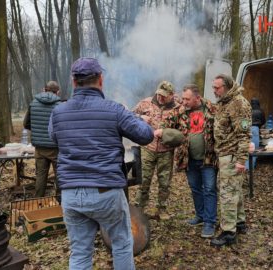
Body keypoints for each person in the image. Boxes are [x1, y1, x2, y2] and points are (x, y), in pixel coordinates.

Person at [48, 57, 153, 270]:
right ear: (101, 80)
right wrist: (139, 119)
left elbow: (54, 138)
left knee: (80, 251)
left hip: (71, 194)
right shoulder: (114, 110)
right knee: (122, 244)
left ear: (74, 82)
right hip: (106, 191)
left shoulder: (58, 112)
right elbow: (145, 135)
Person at [155, 84, 218, 238]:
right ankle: (200, 216)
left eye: (187, 99)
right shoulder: (180, 111)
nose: (183, 102)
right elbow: (165, 124)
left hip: (208, 158)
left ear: (197, 98)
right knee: (195, 188)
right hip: (188, 158)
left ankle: (210, 222)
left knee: (209, 189)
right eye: (183, 98)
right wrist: (165, 132)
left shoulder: (212, 109)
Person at [210, 74, 252, 247]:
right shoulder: (225, 102)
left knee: (227, 193)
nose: (214, 90)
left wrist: (241, 160)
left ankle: (228, 232)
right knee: (235, 190)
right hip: (225, 154)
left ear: (226, 86)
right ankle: (240, 223)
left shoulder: (238, 104)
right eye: (213, 87)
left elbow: (244, 134)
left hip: (232, 155)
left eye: (217, 87)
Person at [133, 80, 181, 219]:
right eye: (159, 94)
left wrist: (166, 132)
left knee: (164, 182)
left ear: (171, 95)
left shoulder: (178, 108)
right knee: (144, 180)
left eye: (164, 95)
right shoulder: (145, 103)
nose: (160, 97)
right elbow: (128, 115)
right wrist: (140, 117)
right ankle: (139, 210)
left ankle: (162, 209)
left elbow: (182, 129)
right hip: (147, 147)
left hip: (166, 150)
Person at [23, 81, 61, 197]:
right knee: (59, 175)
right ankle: (60, 201)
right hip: (56, 147)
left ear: (44, 89)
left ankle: (38, 201)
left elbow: (26, 124)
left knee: (40, 175)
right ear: (57, 92)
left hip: (39, 147)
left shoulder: (33, 103)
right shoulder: (60, 105)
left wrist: (36, 130)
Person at [246, 98, 265, 169]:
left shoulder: (247, 110)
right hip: (255, 129)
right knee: (254, 149)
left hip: (247, 129)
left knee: (247, 148)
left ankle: (246, 166)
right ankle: (250, 167)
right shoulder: (260, 111)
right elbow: (263, 121)